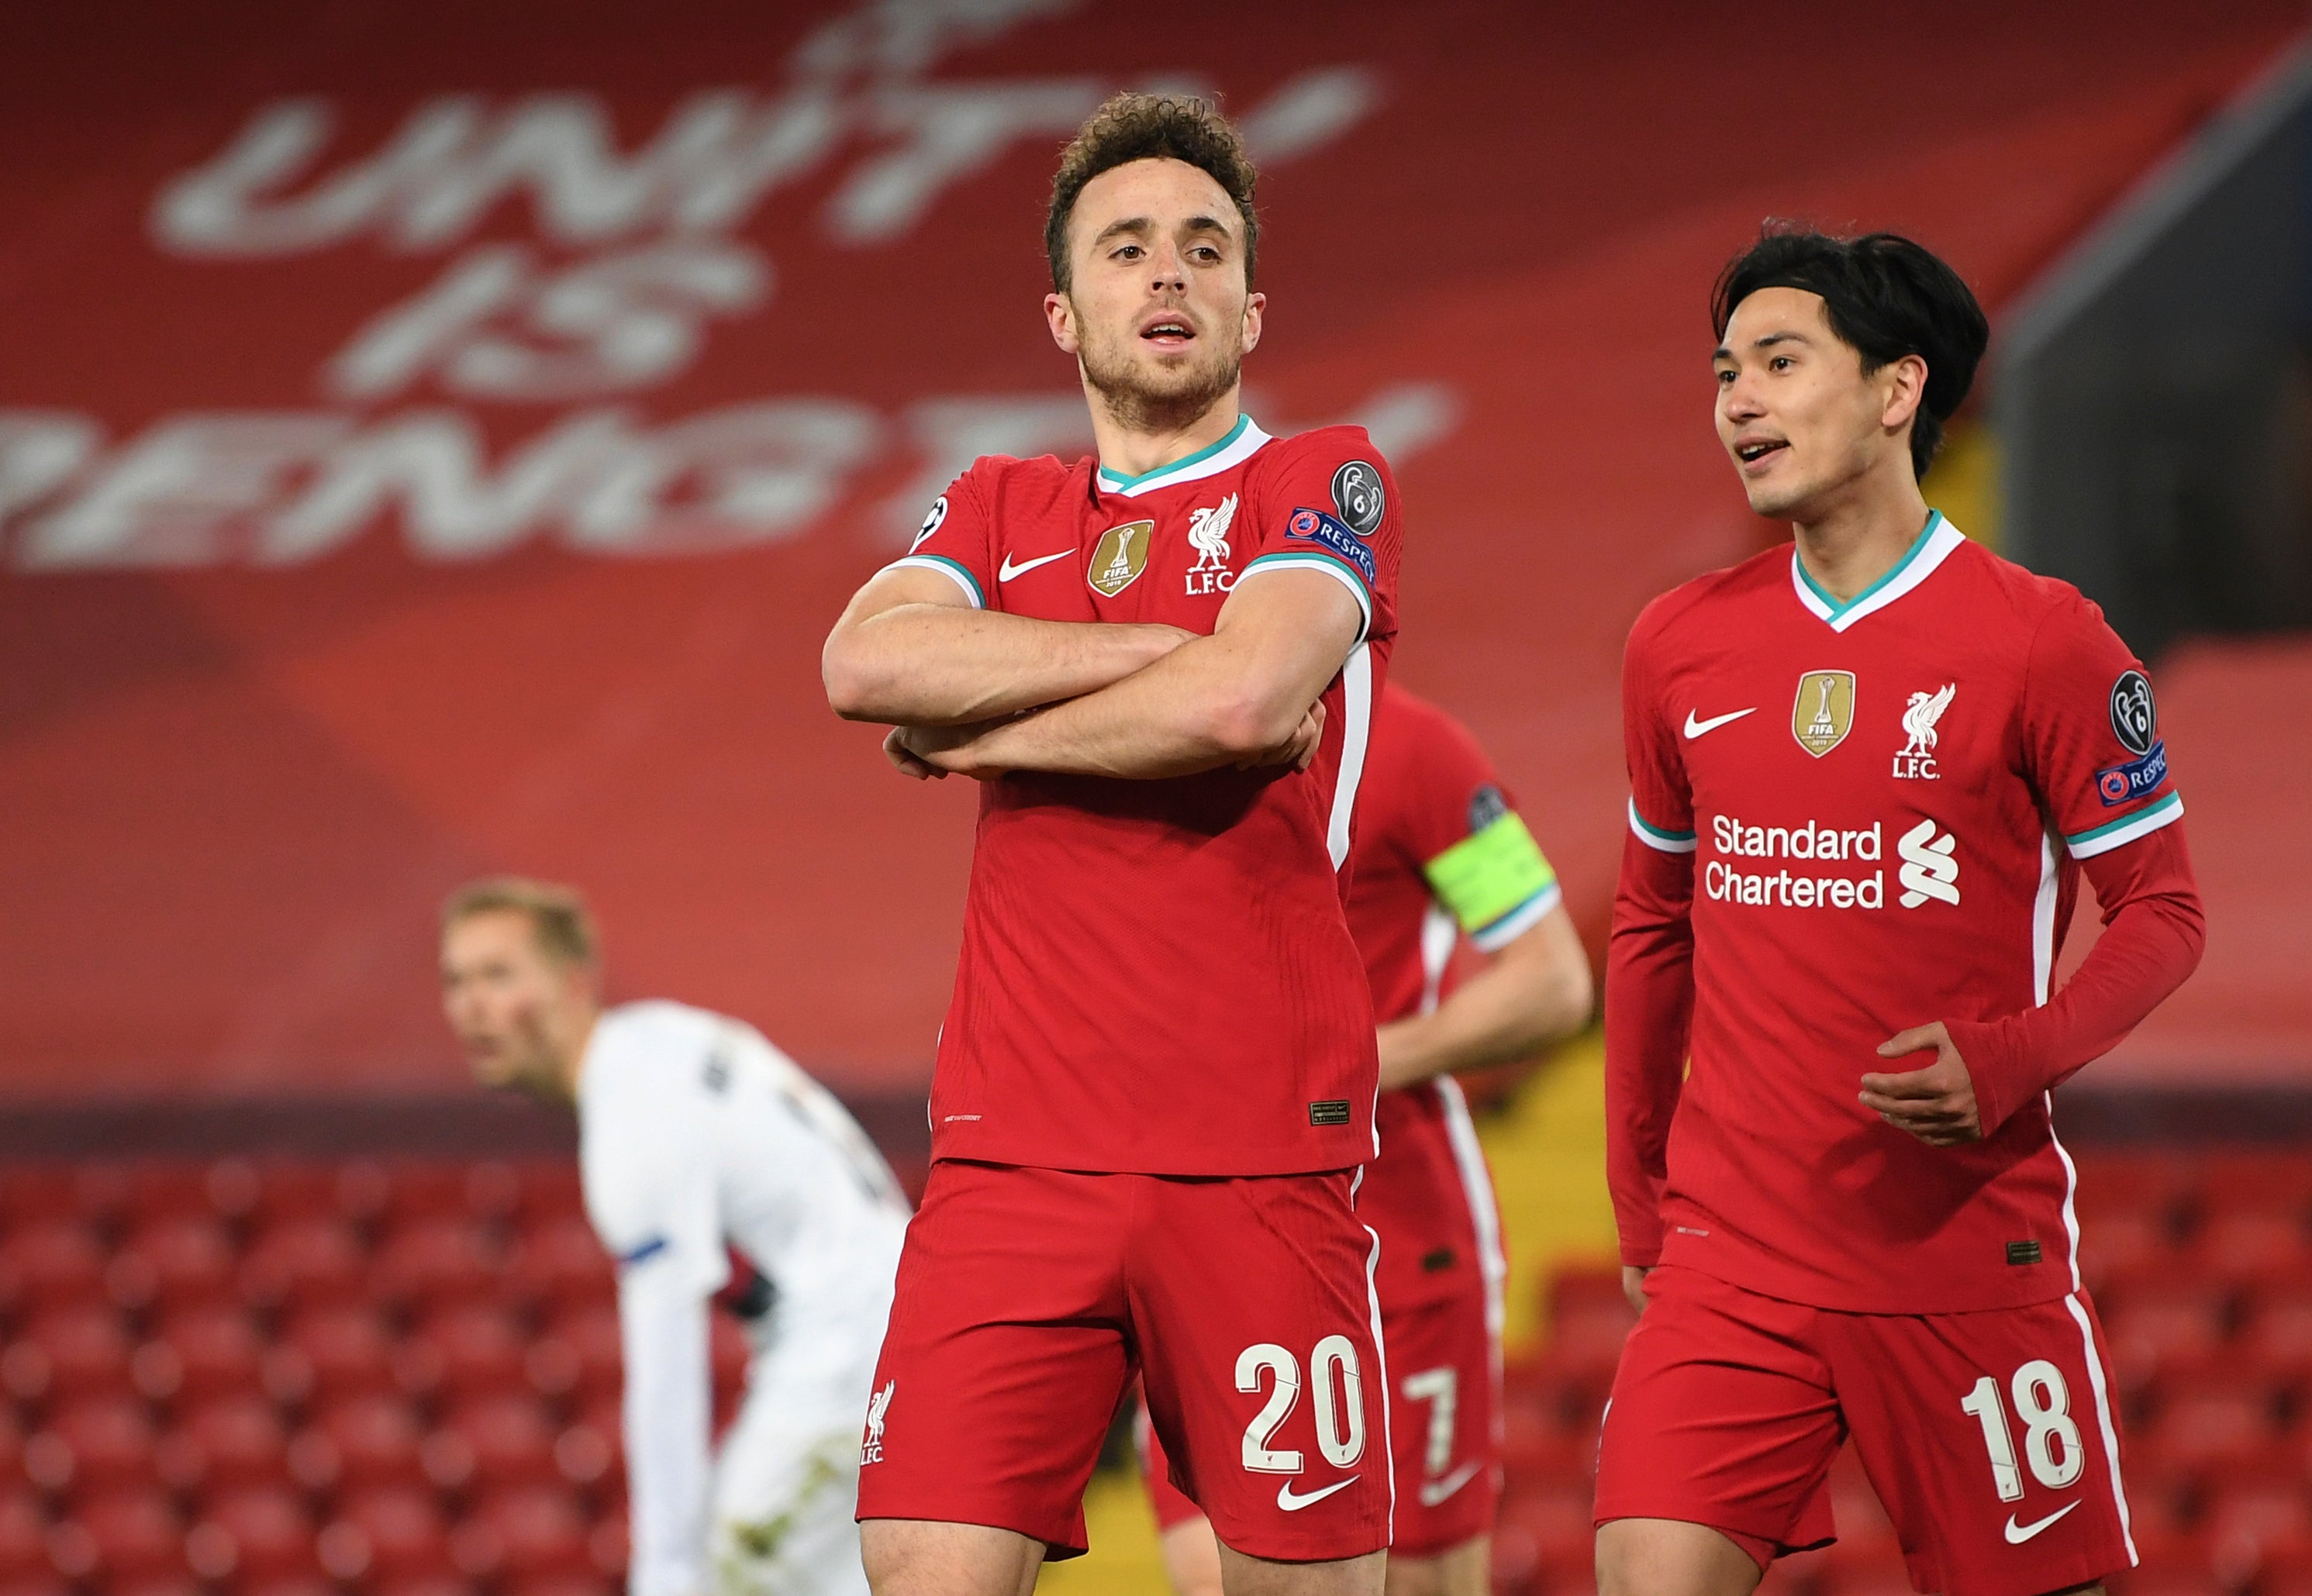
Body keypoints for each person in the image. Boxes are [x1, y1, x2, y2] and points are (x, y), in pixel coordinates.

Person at [819, 90, 1403, 1596]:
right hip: (1010, 1157)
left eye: (1203, 250)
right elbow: (862, 668)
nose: (1166, 275)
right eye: (1126, 249)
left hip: (1256, 1154)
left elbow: (1240, 701)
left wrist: (984, 726)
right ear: (1063, 314)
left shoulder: (1322, 477)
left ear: (1250, 308)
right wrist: (1155, 647)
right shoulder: (999, 498)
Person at [1595, 227, 2207, 1596]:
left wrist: (2011, 1054)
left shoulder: (2041, 639)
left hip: (1960, 1256)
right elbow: (1649, 927)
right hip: (1729, 1259)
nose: (1735, 399)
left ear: (1892, 391)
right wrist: (1639, 1210)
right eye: (1721, 371)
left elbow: (2160, 908)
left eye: (1776, 361)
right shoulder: (1674, 643)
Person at [1140, 682, 1596, 1596]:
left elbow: (1551, 978)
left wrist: (1344, 1063)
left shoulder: (1417, 751)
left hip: (1400, 1240)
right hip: (1204, 1232)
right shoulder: (1152, 735)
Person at [439, 878, 908, 1596]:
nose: (471, 1005)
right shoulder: (662, 1038)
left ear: (573, 981)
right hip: (888, 1317)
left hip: (848, 1348)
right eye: (456, 980)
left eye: (499, 975)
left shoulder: (629, 1122)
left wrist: (660, 1573)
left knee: (726, 1567)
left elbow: (665, 1375)